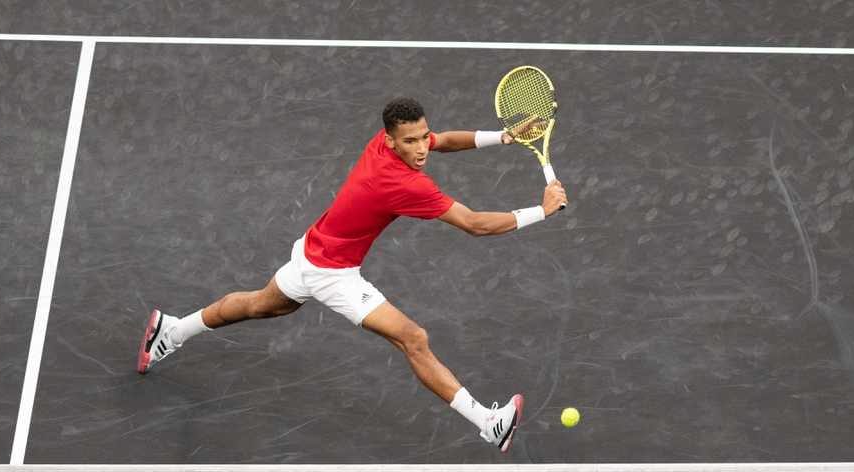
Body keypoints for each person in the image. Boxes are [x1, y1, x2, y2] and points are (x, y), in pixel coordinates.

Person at [138, 98, 568, 452]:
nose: (421, 149)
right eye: (411, 142)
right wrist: (540, 212)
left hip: (312, 249)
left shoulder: (385, 144)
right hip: (332, 274)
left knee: (258, 305)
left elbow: (445, 141)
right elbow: (474, 224)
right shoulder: (404, 185)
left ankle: (170, 332)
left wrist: (504, 136)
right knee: (412, 337)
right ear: (390, 141)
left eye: (422, 137)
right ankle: (488, 422)